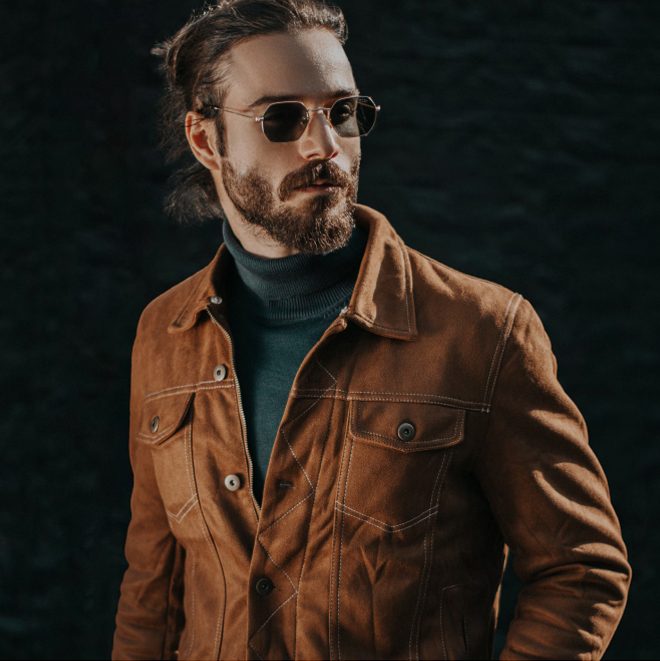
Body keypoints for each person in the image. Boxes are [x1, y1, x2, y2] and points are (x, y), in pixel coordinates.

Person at [112, 1, 631, 659]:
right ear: (206, 140)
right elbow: (153, 595)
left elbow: (580, 569)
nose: (325, 147)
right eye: (282, 118)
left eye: (342, 112)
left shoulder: (482, 331)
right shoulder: (165, 331)